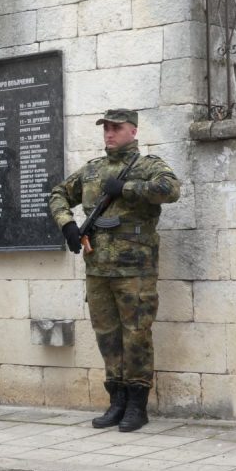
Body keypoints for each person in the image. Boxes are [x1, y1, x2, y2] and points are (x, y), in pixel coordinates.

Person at [49, 109, 180, 432]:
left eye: (116, 128)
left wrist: (127, 188)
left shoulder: (147, 166)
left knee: (136, 336)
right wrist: (67, 224)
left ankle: (137, 405)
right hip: (98, 269)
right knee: (107, 335)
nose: (109, 133)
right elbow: (58, 193)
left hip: (135, 270)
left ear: (132, 131)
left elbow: (171, 189)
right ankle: (116, 401)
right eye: (106, 128)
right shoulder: (92, 170)